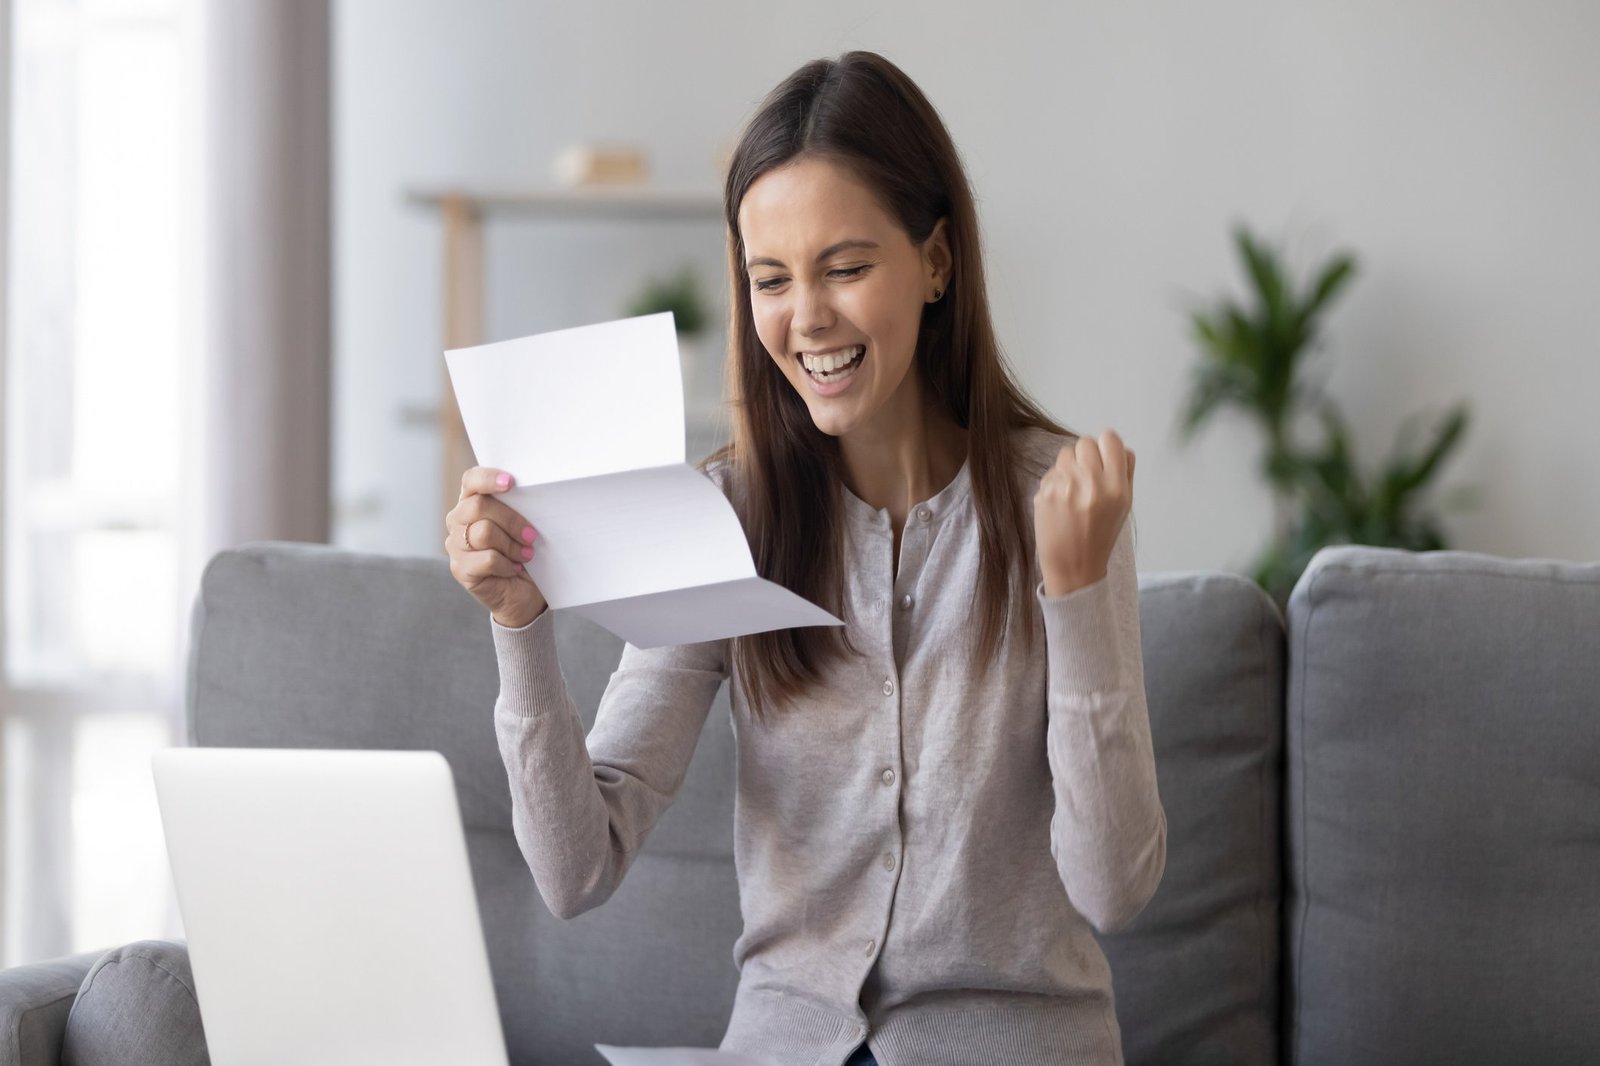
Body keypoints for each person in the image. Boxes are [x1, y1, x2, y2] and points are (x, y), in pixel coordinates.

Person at [445, 50, 1165, 1066]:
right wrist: (520, 621)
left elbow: (1114, 885)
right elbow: (575, 867)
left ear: (936, 262)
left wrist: (1075, 596)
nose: (806, 318)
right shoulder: (723, 513)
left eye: (847, 266)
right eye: (770, 279)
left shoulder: (1062, 500)